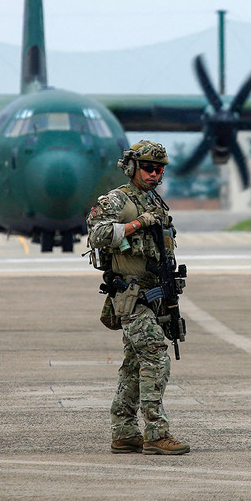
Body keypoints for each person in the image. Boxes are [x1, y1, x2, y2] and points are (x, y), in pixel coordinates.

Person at [86, 140, 190, 456]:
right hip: (130, 294)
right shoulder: (118, 200)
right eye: (148, 167)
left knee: (134, 364)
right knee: (156, 356)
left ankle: (124, 432)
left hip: (154, 292)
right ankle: (156, 433)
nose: (154, 173)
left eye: (159, 169)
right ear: (132, 167)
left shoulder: (153, 201)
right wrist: (137, 224)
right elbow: (98, 234)